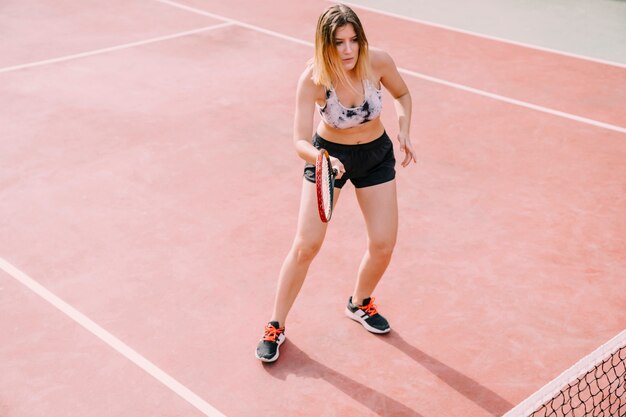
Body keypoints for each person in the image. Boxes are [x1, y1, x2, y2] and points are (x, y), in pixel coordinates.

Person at [256, 3, 416, 362]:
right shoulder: (313, 79)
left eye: (353, 40)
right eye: (338, 42)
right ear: (324, 44)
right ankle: (275, 326)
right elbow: (299, 141)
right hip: (328, 159)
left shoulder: (378, 62)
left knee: (383, 244)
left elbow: (402, 94)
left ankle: (359, 303)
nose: (347, 50)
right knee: (306, 246)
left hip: (376, 156)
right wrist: (322, 160)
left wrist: (403, 129)